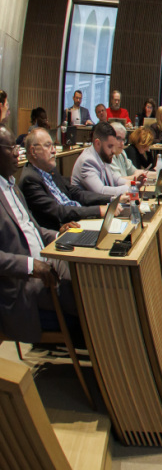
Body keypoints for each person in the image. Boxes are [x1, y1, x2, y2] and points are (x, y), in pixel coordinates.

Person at [0, 125, 82, 346]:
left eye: (17, 147)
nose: (18, 153)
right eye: (11, 148)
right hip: (22, 284)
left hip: (46, 262)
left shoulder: (11, 185)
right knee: (84, 295)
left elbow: (32, 229)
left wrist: (58, 235)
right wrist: (30, 265)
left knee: (88, 277)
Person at [18, 128, 118, 229]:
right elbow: (59, 211)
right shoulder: (30, 180)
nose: (54, 151)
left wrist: (111, 198)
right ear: (33, 151)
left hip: (79, 220)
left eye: (53, 145)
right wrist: (98, 210)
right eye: (48, 146)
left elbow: (76, 193)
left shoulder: (50, 170)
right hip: (64, 229)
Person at [71, 122, 147, 196]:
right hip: (90, 204)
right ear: (98, 143)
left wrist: (134, 184)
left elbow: (116, 180)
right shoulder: (87, 161)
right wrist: (129, 188)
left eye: (113, 146)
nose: (113, 151)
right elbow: (101, 191)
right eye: (110, 146)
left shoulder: (102, 156)